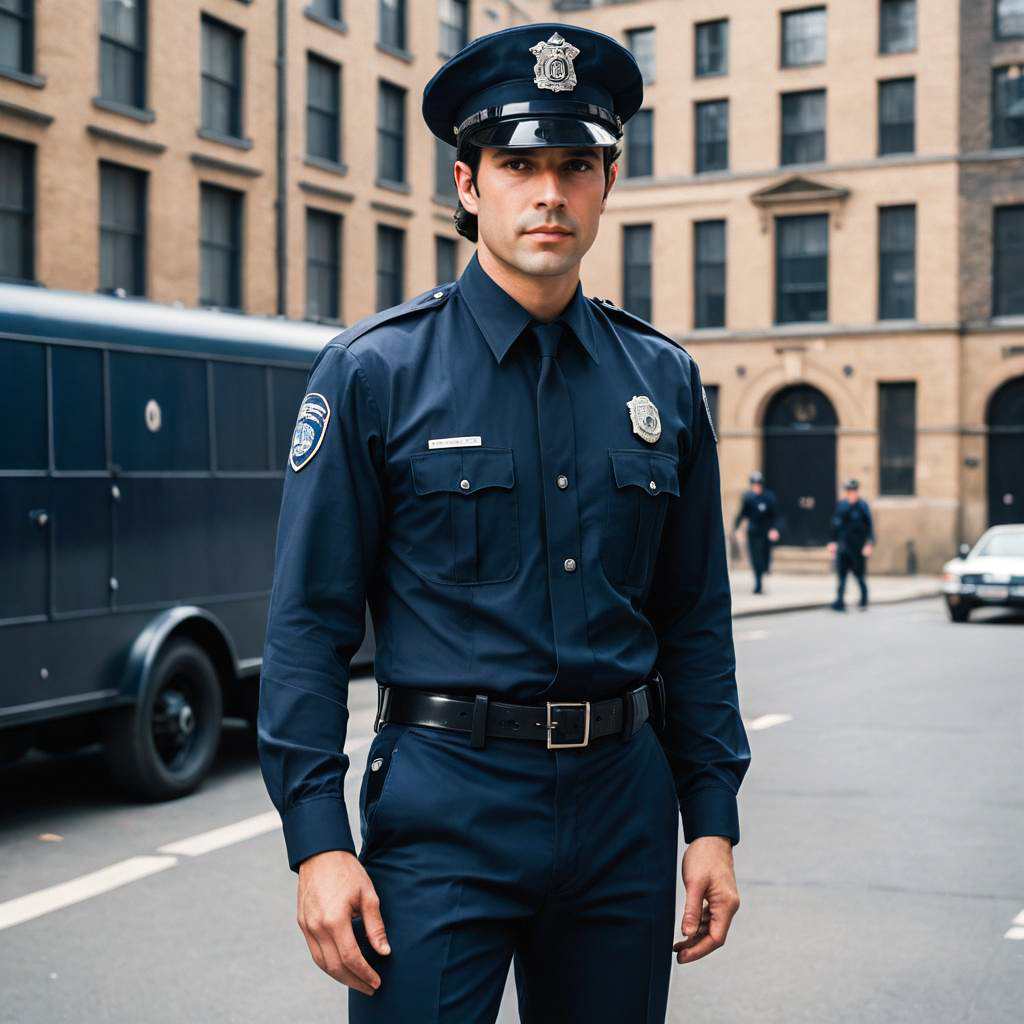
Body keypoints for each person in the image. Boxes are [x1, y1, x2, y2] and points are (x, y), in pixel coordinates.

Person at [257, 22, 750, 1024]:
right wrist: (318, 840)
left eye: (576, 164)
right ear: (468, 183)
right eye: (519, 163)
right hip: (445, 811)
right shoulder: (375, 374)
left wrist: (711, 820)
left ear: (608, 181)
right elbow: (308, 624)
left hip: (622, 810)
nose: (549, 193)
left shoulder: (660, 378)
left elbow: (694, 616)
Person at [828, 478, 875, 611]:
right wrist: (832, 542)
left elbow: (869, 528)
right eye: (848, 491)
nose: (850, 494)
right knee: (841, 575)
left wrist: (869, 544)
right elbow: (835, 526)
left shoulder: (862, 506)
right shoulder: (841, 506)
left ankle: (864, 598)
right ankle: (839, 601)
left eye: (853, 491)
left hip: (858, 547)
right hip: (843, 546)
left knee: (859, 575)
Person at [732, 470, 780, 594]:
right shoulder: (748, 498)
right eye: (754, 484)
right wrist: (736, 528)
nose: (756, 487)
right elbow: (743, 514)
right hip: (753, 532)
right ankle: (758, 584)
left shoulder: (768, 497)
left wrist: (774, 529)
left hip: (766, 532)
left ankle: (764, 569)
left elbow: (775, 516)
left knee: (764, 557)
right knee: (755, 558)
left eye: (758, 484)